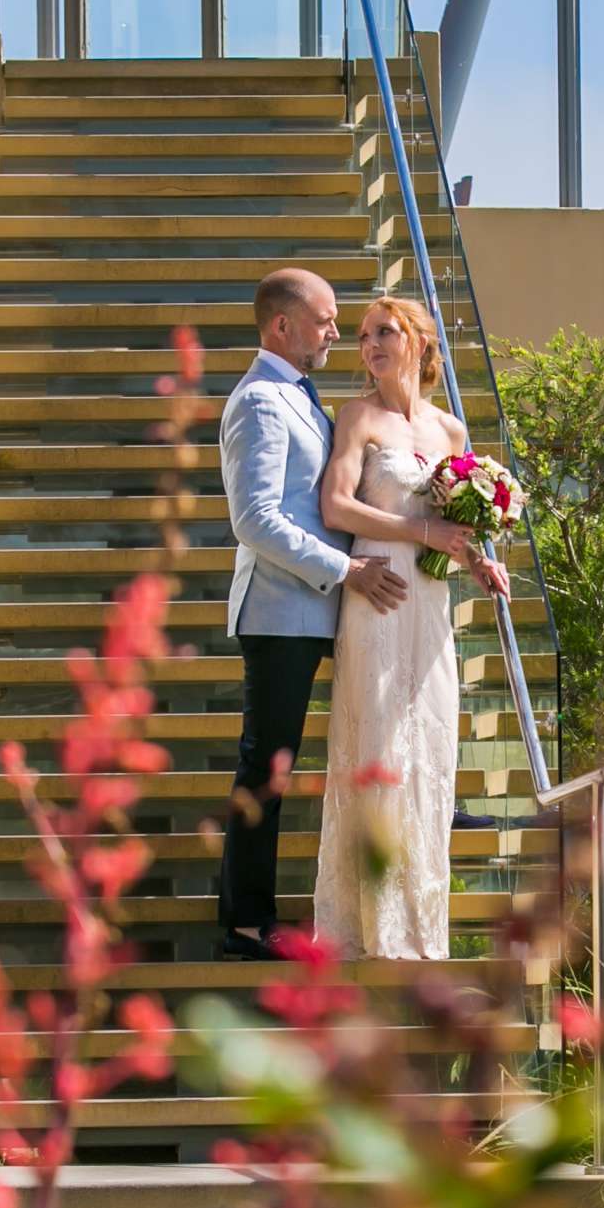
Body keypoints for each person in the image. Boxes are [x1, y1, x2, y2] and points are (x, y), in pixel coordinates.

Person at [215, 268, 410, 962]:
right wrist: (348, 569)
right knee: (266, 767)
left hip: (314, 609)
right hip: (281, 612)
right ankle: (244, 922)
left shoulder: (299, 394)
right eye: (327, 321)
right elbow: (257, 520)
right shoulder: (262, 402)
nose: (336, 332)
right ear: (282, 327)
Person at [310, 296, 510, 961]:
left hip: (430, 602)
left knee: (427, 752)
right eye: (363, 335)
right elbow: (336, 506)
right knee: (378, 746)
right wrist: (421, 530)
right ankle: (369, 927)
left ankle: (422, 929)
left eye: (384, 333)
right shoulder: (357, 417)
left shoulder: (452, 432)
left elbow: (463, 518)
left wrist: (481, 563)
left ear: (420, 342)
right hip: (377, 593)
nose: (368, 345)